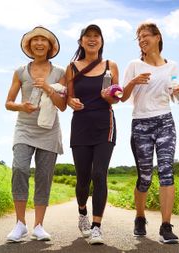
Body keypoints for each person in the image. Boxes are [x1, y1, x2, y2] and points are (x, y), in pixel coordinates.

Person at [121, 22, 179, 244]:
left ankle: (166, 226)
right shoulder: (134, 65)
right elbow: (121, 96)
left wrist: (177, 90)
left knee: (167, 171)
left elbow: (174, 90)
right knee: (145, 177)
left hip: (165, 121)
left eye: (145, 35)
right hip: (141, 124)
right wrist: (133, 81)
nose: (141, 40)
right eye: (138, 38)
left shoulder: (172, 66)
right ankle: (140, 217)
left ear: (158, 37)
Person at [5, 26, 66, 242]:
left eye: (44, 40)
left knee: (43, 176)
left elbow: (63, 104)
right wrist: (22, 106)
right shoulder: (20, 71)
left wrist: (49, 88)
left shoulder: (60, 72)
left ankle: (39, 226)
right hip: (24, 128)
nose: (39, 43)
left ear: (50, 46)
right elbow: (8, 103)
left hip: (49, 130)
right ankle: (20, 224)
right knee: (20, 168)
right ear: (29, 46)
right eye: (35, 40)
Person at [66, 24, 119, 245]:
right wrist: (72, 102)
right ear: (81, 41)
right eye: (88, 36)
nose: (92, 39)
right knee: (83, 178)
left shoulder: (110, 65)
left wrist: (110, 96)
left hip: (104, 124)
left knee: (99, 174)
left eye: (96, 36)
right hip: (80, 125)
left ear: (101, 41)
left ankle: (97, 226)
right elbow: (68, 98)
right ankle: (82, 213)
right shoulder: (72, 67)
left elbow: (116, 97)